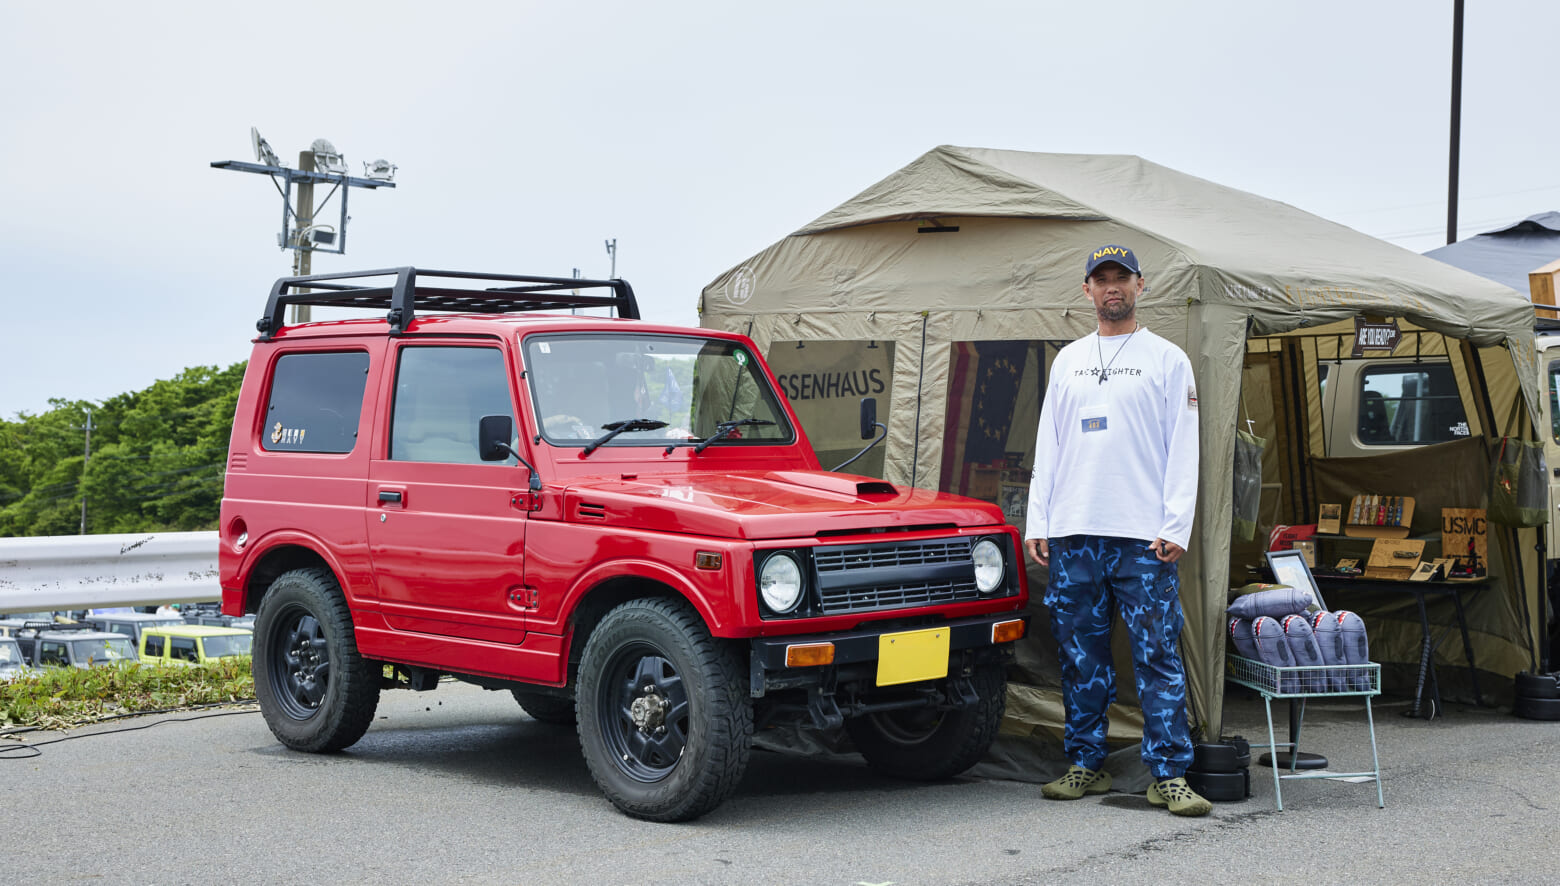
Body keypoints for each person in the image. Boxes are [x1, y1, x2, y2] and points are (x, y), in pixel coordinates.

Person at [1023, 244, 1210, 817]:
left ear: (1140, 286)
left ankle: (1169, 774)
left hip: (1142, 535)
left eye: (1121, 279)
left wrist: (1176, 523)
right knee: (1081, 655)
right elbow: (1048, 443)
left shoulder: (1167, 359)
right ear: (1086, 290)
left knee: (1157, 653)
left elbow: (1185, 445)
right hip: (1075, 530)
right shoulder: (1068, 361)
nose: (1112, 288)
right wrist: (1040, 520)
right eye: (1101, 279)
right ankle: (1086, 763)